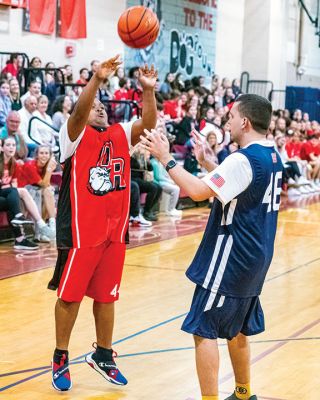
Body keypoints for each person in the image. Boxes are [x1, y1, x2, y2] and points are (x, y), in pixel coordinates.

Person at [141, 94, 283, 400]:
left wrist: (166, 158)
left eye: (231, 116)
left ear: (244, 122)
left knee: (203, 327)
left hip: (232, 255)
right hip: (257, 256)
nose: (227, 121)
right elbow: (240, 186)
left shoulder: (242, 159)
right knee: (239, 327)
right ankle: (244, 393)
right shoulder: (272, 155)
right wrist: (208, 162)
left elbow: (196, 191)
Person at [47, 55, 157, 392]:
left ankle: (104, 355)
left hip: (114, 232)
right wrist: (95, 80)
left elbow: (148, 123)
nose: (99, 109)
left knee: (107, 297)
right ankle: (61, 356)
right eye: (93, 105)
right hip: (81, 231)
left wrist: (148, 91)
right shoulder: (74, 137)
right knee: (71, 297)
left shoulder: (120, 133)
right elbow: (79, 112)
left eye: (102, 106)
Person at [19, 145, 57, 241]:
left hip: (35, 191)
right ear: (36, 155)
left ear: (50, 156)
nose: (44, 156)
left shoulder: (45, 166)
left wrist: (48, 169)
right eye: (41, 153)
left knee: (49, 192)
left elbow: (46, 185)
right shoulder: (30, 165)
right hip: (22, 193)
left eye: (46, 153)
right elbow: (44, 184)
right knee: (40, 192)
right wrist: (49, 170)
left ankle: (52, 225)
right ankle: (40, 231)